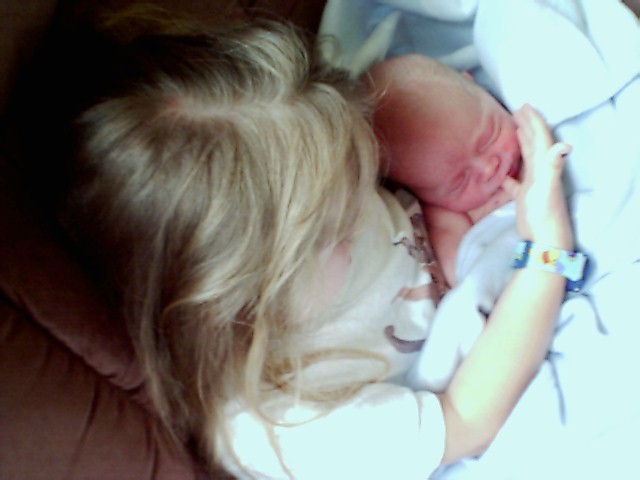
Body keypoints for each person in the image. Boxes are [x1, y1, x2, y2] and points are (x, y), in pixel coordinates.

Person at [63, 18, 573, 479]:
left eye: (361, 178)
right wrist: (547, 251)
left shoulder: (304, 174)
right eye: (338, 230)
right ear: (238, 299)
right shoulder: (277, 426)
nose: (362, 206)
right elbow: (467, 420)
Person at [368, 54, 534, 285]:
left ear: (477, 87)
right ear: (424, 197)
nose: (489, 169)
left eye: (489, 137)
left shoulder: (525, 116)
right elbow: (466, 277)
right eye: (460, 181)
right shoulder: (446, 219)